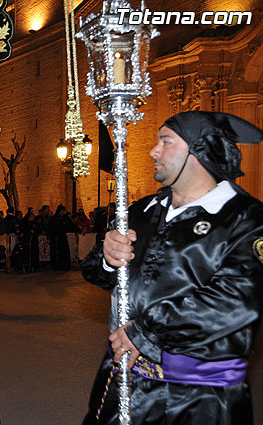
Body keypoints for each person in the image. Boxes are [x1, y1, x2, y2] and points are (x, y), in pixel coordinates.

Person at [80, 111, 263, 425]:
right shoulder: (141, 210)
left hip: (199, 399)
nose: (154, 150)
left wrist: (144, 331)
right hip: (126, 385)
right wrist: (108, 257)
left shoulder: (245, 219)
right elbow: (94, 270)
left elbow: (236, 301)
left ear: (200, 151)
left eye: (166, 141)